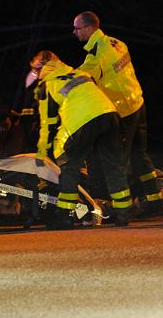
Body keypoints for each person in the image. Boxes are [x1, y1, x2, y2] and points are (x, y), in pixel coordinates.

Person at [72, 11, 163, 215]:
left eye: (77, 28)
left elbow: (79, 77)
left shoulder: (98, 55)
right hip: (138, 103)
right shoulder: (117, 43)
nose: (74, 32)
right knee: (139, 154)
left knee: (117, 162)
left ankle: (123, 208)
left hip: (124, 112)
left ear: (89, 28)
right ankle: (155, 202)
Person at [32, 50, 134, 228]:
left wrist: (42, 153)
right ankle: (124, 212)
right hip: (109, 115)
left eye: (35, 70)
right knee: (113, 166)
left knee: (70, 166)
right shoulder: (80, 73)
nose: (35, 74)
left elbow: (47, 124)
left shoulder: (47, 85)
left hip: (82, 122)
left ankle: (64, 216)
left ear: (41, 68)